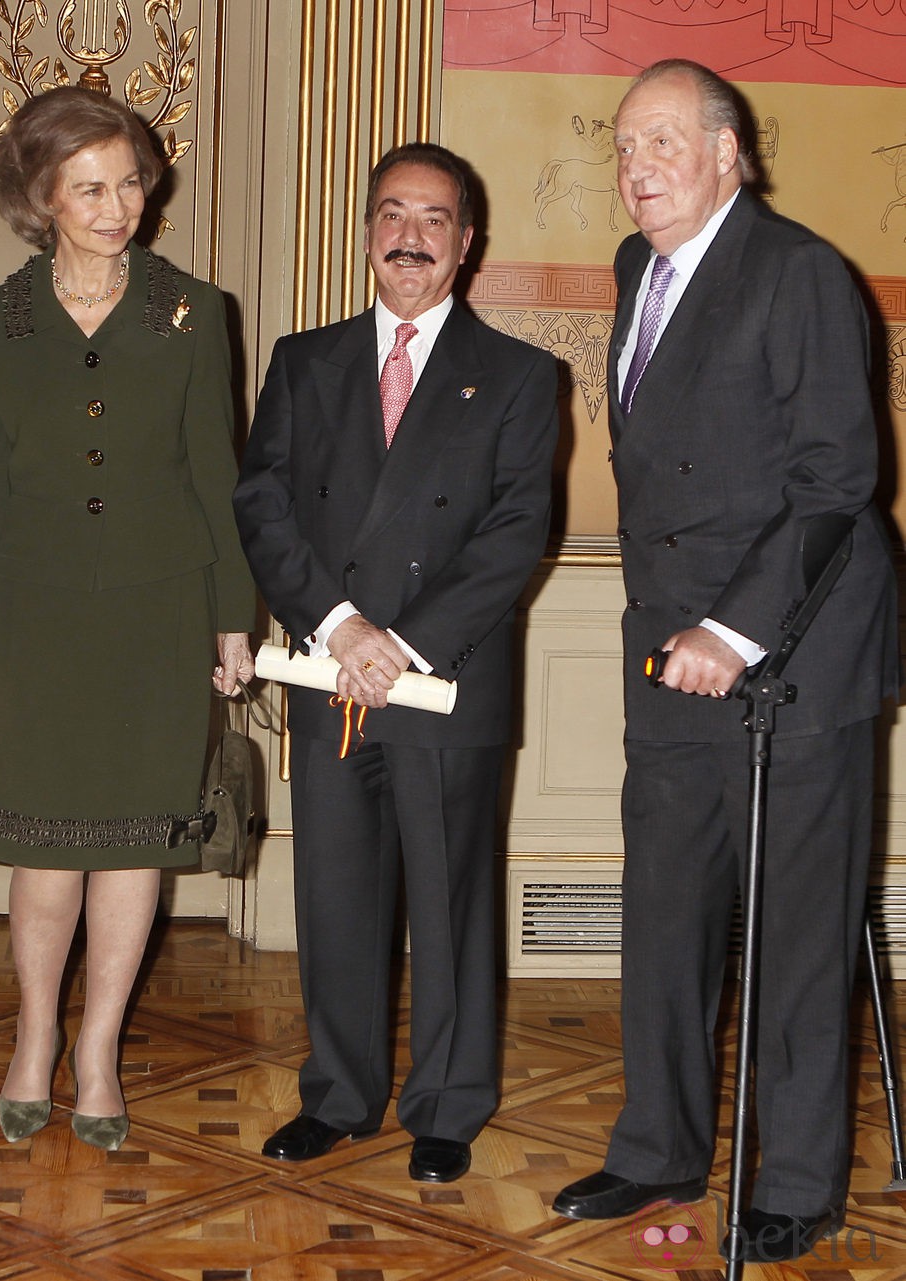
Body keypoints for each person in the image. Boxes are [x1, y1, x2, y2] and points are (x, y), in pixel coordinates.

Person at [552, 61, 899, 1263]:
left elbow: (833, 482)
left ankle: (797, 1185)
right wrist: (677, 632)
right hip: (666, 649)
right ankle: (654, 1149)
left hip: (795, 650)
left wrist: (733, 630)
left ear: (724, 153)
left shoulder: (797, 272)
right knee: (662, 909)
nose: (636, 168)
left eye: (661, 143)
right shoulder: (632, 269)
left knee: (793, 932)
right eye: (625, 148)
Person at [0, 88, 256, 1151]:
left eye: (128, 183)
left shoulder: (192, 310)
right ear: (41, 200)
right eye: (90, 189)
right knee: (45, 849)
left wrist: (230, 620)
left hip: (158, 617)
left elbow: (218, 476)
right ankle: (34, 1037)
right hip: (35, 620)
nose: (118, 207)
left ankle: (98, 1052)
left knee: (132, 848)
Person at [233, 142, 558, 1182]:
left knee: (453, 899)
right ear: (367, 232)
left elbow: (515, 533)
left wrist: (400, 643)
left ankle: (448, 1108)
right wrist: (339, 628)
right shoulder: (304, 360)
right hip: (334, 673)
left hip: (442, 677)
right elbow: (263, 506)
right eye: (390, 213)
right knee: (335, 894)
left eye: (432, 219)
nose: (408, 235)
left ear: (465, 245)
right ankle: (336, 1094)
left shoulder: (516, 375)